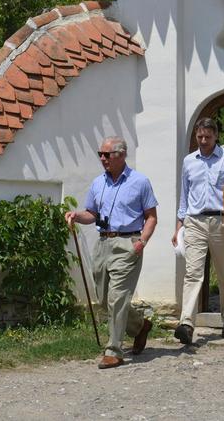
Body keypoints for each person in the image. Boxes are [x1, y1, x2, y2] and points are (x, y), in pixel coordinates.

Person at [65, 136, 158, 369]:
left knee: (117, 298)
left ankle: (114, 350)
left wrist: (142, 241)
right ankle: (139, 325)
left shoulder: (140, 182)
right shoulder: (98, 183)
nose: (103, 159)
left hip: (128, 244)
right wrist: (77, 216)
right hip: (103, 243)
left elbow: (151, 216)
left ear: (122, 154)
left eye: (107, 154)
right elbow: (92, 214)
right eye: (101, 155)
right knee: (105, 299)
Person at [172, 118, 224, 344]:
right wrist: (179, 226)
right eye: (200, 137)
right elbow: (184, 197)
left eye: (207, 137)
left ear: (216, 136)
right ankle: (186, 324)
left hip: (222, 220)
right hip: (195, 221)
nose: (203, 141)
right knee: (193, 273)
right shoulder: (189, 161)